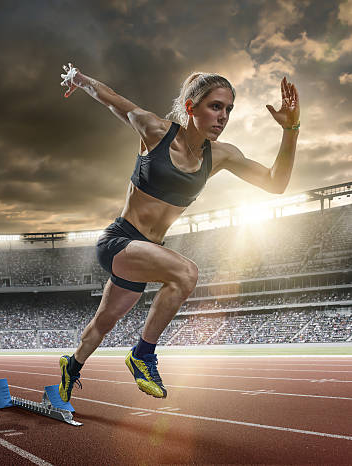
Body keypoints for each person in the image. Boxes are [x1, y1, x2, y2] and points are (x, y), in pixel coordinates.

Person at [58, 62, 300, 401]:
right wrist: (81, 80)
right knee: (186, 274)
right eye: (215, 106)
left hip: (146, 253)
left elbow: (276, 184)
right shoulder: (156, 131)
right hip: (119, 241)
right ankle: (142, 354)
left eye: (228, 109)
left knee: (102, 325)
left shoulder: (222, 155)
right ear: (191, 107)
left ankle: (71, 367)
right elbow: (113, 99)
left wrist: (291, 130)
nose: (223, 116)